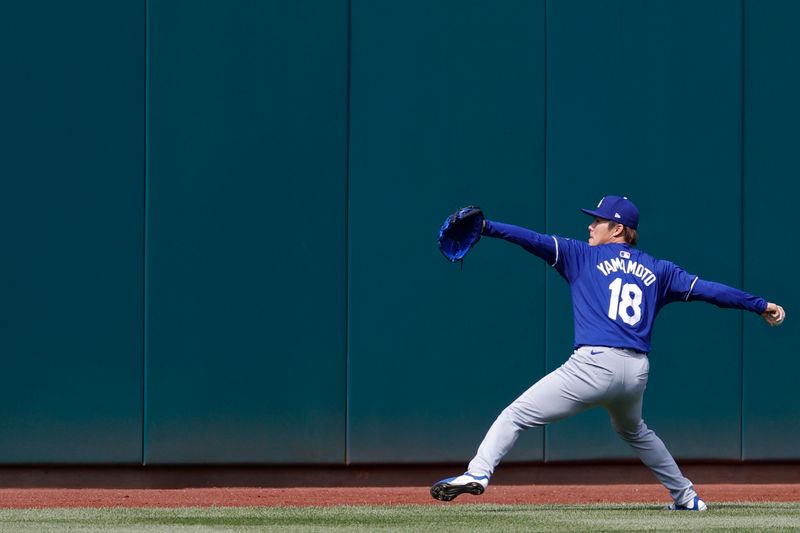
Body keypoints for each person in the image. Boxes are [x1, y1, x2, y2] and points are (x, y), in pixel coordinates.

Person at [430, 195, 786, 511]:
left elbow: (531, 239)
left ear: (617, 229)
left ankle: (477, 473)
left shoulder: (580, 255)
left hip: (593, 366)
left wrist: (489, 227)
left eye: (597, 220)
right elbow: (710, 290)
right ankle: (687, 497)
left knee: (515, 415)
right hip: (635, 373)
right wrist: (759, 305)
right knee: (635, 431)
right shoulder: (659, 270)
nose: (590, 225)